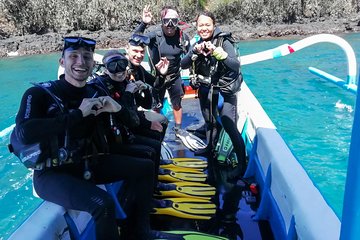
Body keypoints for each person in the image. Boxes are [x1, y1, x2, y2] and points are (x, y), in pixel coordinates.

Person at [13, 36, 156, 240]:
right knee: (102, 204)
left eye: (87, 57)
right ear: (62, 62)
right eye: (74, 56)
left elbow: (134, 123)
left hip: (88, 163)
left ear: (92, 64)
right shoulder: (39, 93)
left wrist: (117, 108)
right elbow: (24, 132)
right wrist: (77, 115)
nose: (81, 62)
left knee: (145, 167)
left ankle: (140, 231)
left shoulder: (95, 91)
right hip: (52, 174)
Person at [180, 11, 247, 237]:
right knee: (210, 124)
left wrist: (219, 54)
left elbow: (235, 66)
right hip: (208, 89)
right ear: (196, 27)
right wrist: (194, 51)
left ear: (214, 25)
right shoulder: (197, 41)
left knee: (228, 124)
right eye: (200, 26)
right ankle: (211, 155)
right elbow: (183, 62)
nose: (204, 29)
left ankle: (241, 164)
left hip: (227, 90)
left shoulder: (224, 40)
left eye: (207, 25)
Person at [90, 49, 162, 185]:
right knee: (151, 149)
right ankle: (151, 185)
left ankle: (155, 180)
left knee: (156, 139)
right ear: (106, 70)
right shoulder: (104, 87)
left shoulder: (126, 82)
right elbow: (126, 117)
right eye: (112, 66)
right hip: (114, 141)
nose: (119, 70)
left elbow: (146, 105)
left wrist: (145, 89)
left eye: (122, 64)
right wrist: (128, 93)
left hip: (126, 132)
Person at [134, 5, 190, 137]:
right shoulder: (154, 35)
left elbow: (190, 56)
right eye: (166, 21)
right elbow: (135, 40)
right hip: (157, 77)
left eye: (174, 21)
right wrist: (143, 23)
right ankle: (156, 127)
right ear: (161, 21)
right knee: (156, 105)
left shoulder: (183, 37)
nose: (170, 25)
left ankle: (178, 130)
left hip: (174, 76)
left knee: (177, 103)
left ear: (178, 21)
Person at [125, 33, 168, 141]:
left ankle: (157, 148)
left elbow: (156, 84)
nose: (139, 55)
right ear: (127, 49)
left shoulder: (139, 69)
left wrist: (161, 74)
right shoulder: (121, 68)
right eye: (135, 51)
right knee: (155, 132)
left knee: (162, 120)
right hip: (123, 117)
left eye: (142, 52)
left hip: (135, 112)